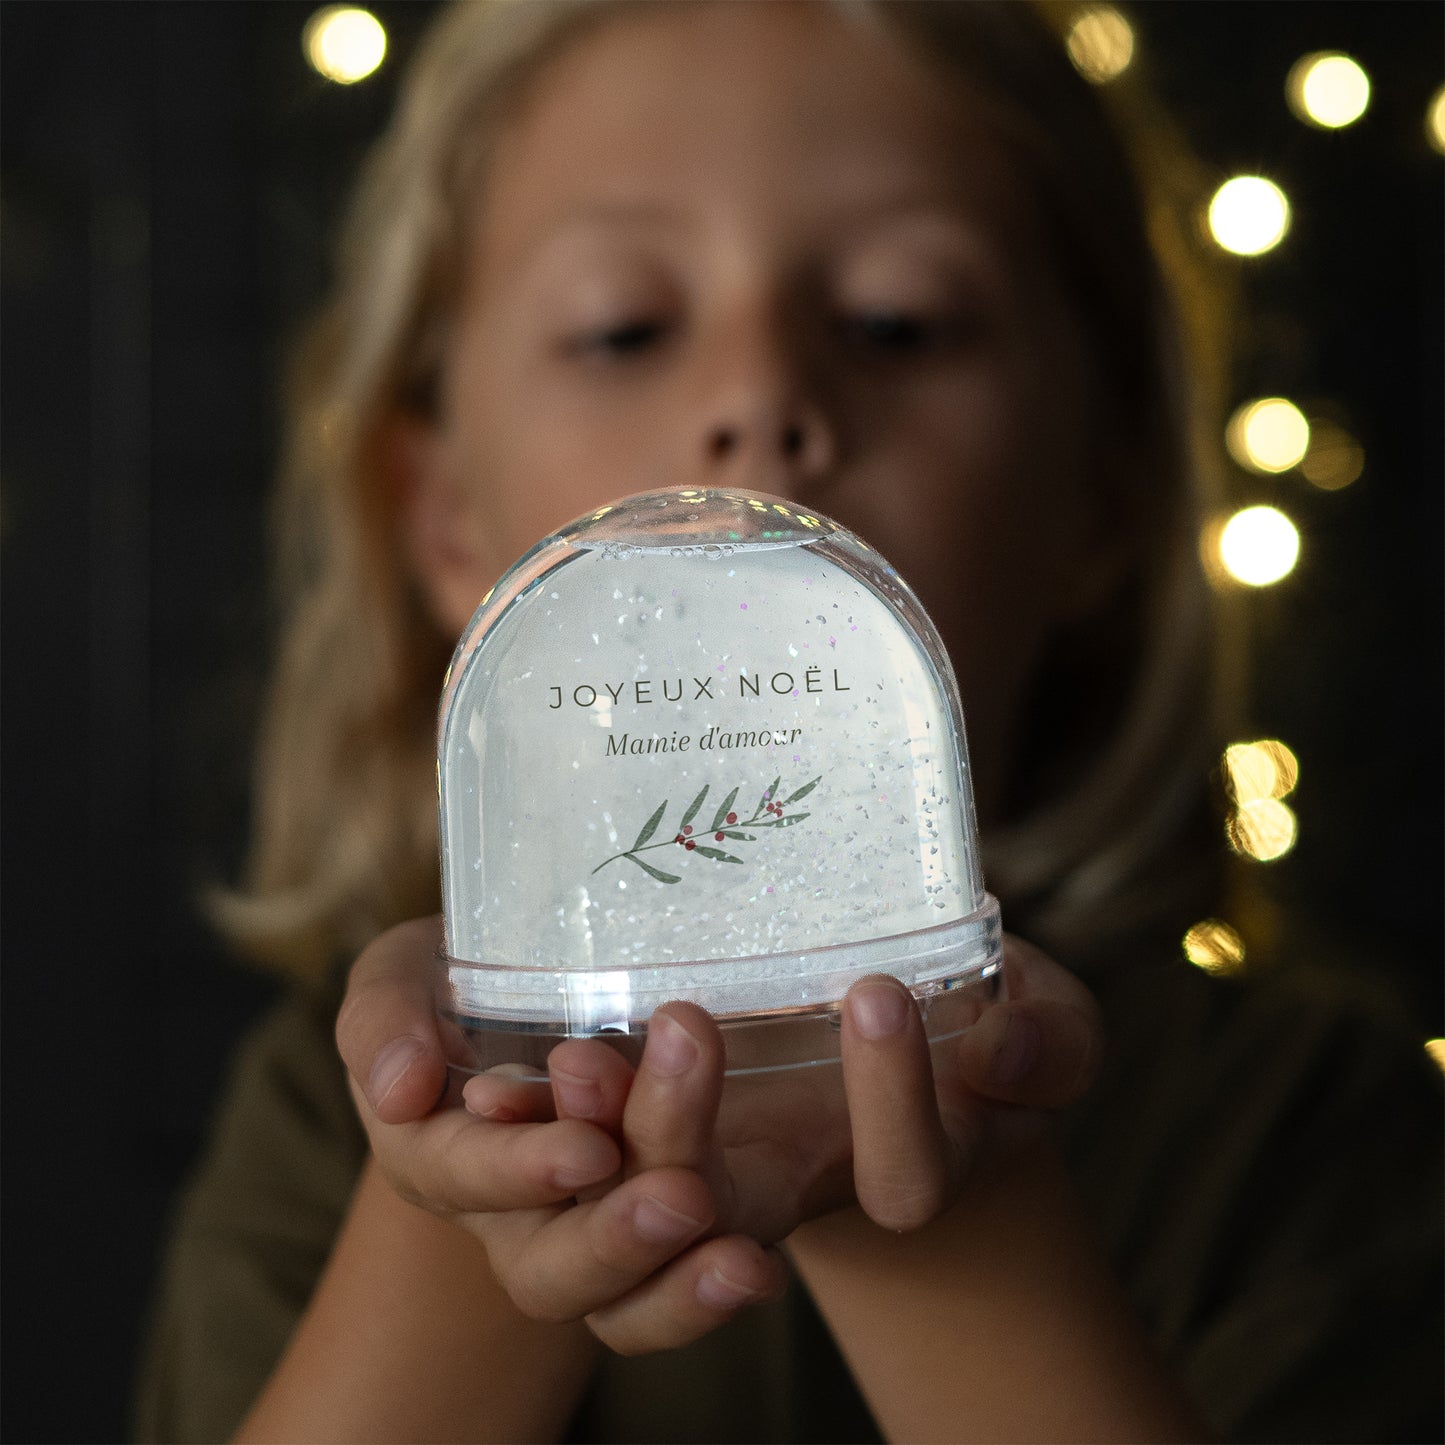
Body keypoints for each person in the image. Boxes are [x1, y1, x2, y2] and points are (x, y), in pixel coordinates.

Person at [137, 2, 1443, 1441]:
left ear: (1104, 493)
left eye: (898, 319)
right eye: (624, 327)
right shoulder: (326, 1130)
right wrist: (482, 1152)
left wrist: (945, 1199)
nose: (759, 395)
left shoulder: (1305, 1131)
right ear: (441, 516)